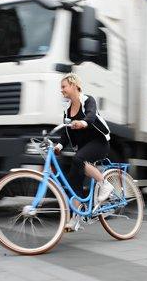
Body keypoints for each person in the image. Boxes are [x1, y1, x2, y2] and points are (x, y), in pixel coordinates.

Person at [55, 73, 114, 231]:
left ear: (74, 85)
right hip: (83, 148)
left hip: (99, 143)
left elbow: (91, 116)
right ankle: (76, 218)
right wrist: (59, 147)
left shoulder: (88, 100)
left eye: (64, 86)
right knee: (73, 180)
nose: (61, 90)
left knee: (78, 159)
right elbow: (65, 134)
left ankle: (105, 185)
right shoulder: (67, 111)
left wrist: (82, 122)